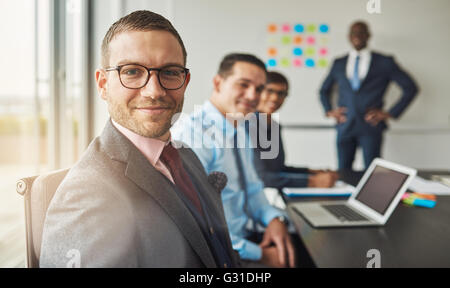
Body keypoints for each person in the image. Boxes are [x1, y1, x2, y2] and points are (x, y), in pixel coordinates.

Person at [40, 10, 238, 268]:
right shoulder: (87, 196)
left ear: (185, 81)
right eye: (132, 71)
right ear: (102, 84)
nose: (154, 91)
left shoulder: (186, 157)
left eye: (169, 72)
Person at [172, 53, 296, 268]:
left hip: (244, 238)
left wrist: (274, 219)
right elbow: (196, 223)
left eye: (259, 89)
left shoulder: (239, 128)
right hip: (220, 253)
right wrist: (260, 255)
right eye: (243, 85)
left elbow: (254, 189)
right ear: (218, 83)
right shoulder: (192, 136)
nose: (252, 95)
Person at [319, 21, 418, 170]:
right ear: (349, 36)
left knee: (372, 173)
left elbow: (410, 88)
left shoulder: (385, 62)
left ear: (368, 35)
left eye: (361, 32)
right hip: (345, 125)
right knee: (343, 172)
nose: (357, 36)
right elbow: (323, 90)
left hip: (370, 126)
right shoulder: (339, 62)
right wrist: (329, 111)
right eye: (354, 33)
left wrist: (390, 113)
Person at [254, 71, 338, 189]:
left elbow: (278, 169)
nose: (275, 98)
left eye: (281, 93)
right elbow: (260, 178)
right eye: (269, 91)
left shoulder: (274, 126)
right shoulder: (245, 126)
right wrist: (312, 182)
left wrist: (312, 172)